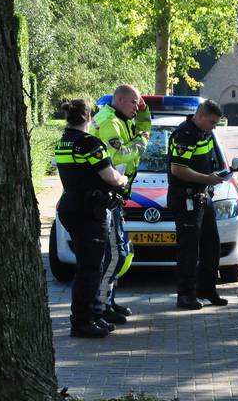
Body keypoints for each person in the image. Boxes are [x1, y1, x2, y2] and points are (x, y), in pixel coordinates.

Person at [55, 99, 128, 338]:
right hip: (90, 210)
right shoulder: (89, 143)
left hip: (71, 205)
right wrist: (123, 179)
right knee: (90, 269)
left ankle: (92, 316)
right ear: (89, 118)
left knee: (87, 266)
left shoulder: (63, 141)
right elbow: (110, 177)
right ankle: (82, 321)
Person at [92, 84, 150, 324]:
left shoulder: (121, 118)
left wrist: (144, 113)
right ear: (119, 100)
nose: (137, 108)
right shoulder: (109, 122)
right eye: (134, 102)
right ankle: (100, 306)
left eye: (138, 104)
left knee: (118, 253)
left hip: (114, 196)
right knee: (116, 254)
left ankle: (108, 300)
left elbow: (142, 129)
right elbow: (118, 155)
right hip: (104, 195)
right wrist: (141, 142)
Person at [167, 100, 228, 310]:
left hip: (203, 195)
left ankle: (207, 289)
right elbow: (178, 169)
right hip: (186, 198)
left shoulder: (205, 133)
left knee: (212, 245)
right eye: (212, 122)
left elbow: (206, 163)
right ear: (200, 116)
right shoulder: (184, 135)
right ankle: (185, 295)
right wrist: (207, 178)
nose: (214, 127)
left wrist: (217, 174)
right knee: (189, 249)